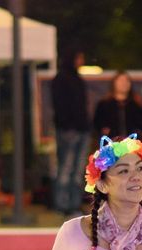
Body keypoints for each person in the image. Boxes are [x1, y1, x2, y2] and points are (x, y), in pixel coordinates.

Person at [52, 51, 92, 216]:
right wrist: (68, 125)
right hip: (69, 130)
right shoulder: (62, 79)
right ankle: (62, 204)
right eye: (79, 57)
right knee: (67, 167)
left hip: (80, 129)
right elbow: (60, 106)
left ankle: (73, 204)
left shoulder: (77, 79)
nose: (82, 61)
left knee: (77, 169)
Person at [93, 71, 142, 140]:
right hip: (112, 146)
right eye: (120, 80)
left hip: (133, 146)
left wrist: (140, 132)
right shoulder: (104, 105)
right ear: (114, 83)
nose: (124, 83)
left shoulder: (137, 105)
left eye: (127, 80)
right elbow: (98, 124)